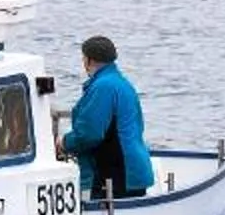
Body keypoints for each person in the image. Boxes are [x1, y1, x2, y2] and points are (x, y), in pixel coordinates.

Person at [59, 36, 154, 198]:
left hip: (117, 174)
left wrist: (64, 143)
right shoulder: (122, 83)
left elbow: (90, 133)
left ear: (88, 60)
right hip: (135, 169)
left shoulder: (103, 87)